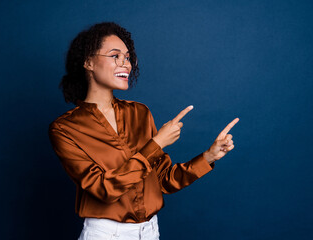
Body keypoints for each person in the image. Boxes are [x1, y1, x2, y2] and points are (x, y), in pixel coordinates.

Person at [48, 22, 239, 240]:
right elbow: (103, 189)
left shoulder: (140, 113)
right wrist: (156, 144)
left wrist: (208, 156)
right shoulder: (65, 129)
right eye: (115, 56)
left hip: (150, 232)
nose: (125, 64)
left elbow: (164, 180)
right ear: (88, 62)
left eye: (128, 57)